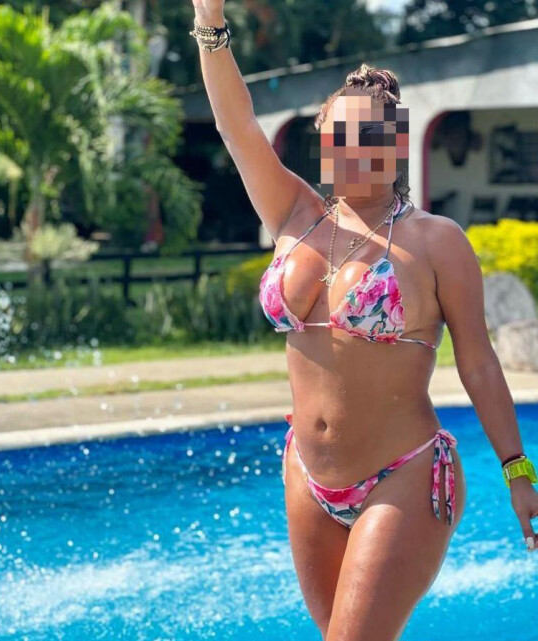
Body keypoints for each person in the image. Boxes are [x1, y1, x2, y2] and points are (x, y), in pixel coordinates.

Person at [189, 2, 538, 640]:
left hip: (403, 474)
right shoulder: (294, 214)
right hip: (308, 477)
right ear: (325, 142)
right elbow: (236, 127)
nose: (358, 148)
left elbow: (478, 362)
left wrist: (518, 470)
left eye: (374, 135)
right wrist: (210, 21)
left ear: (398, 144)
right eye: (344, 135)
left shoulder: (435, 241)